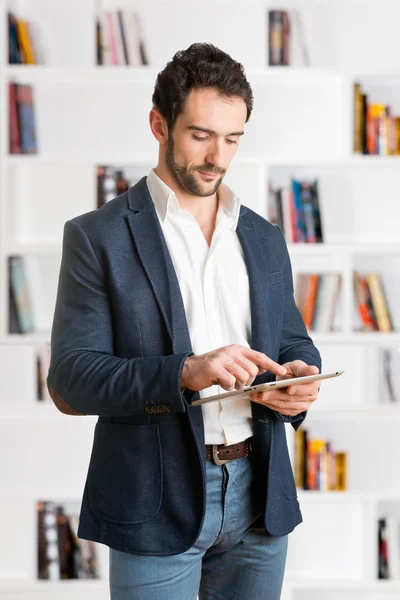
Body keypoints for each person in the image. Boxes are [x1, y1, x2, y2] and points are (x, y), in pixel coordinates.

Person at [47, 42, 322, 600]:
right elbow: (71, 380)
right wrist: (187, 371)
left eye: (233, 138)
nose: (217, 156)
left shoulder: (264, 237)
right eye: (200, 135)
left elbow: (294, 340)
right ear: (159, 124)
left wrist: (299, 379)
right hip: (153, 497)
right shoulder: (97, 236)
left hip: (259, 495)